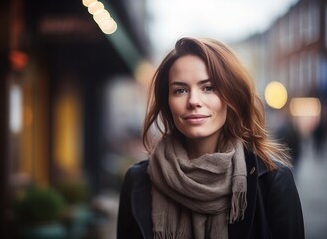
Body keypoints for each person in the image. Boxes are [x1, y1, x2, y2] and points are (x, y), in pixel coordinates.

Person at [117, 37, 304, 239]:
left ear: (231, 95)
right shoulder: (138, 181)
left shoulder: (272, 181)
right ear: (167, 102)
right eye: (180, 90)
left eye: (208, 88)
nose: (194, 101)